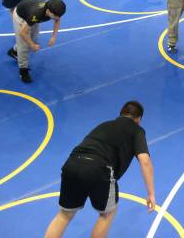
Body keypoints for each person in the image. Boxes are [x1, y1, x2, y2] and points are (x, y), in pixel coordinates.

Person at [43, 101, 156, 238]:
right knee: (107, 214)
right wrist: (151, 194)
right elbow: (145, 161)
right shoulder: (137, 130)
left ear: (120, 114)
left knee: (64, 215)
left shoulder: (104, 124)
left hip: (72, 164)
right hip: (99, 169)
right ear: (139, 119)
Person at [10, 0, 65, 83]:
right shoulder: (37, 14)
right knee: (24, 45)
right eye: (55, 16)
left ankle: (14, 51)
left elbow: (57, 20)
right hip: (20, 16)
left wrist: (54, 37)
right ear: (48, 11)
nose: (57, 18)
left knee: (34, 39)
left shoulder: (54, 10)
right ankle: (23, 70)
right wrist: (32, 45)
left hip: (30, 14)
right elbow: (23, 33)